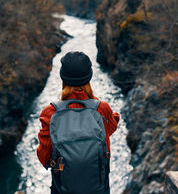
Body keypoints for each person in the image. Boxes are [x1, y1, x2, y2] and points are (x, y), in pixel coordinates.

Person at [37, 51, 120, 194]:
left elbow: (44, 157)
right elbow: (111, 128)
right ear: (89, 77)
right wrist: (115, 117)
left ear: (63, 78)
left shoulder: (50, 113)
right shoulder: (101, 109)